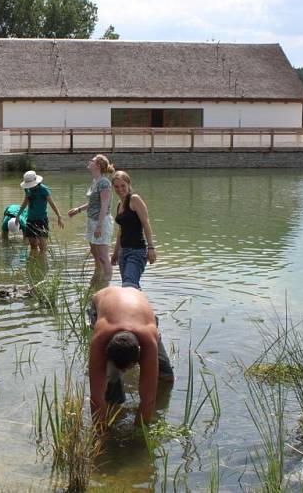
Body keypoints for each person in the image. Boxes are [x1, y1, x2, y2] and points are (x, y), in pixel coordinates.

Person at [88, 287, 174, 426]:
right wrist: (100, 434)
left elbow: (149, 400)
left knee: (166, 376)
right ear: (107, 350)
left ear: (140, 353)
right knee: (113, 381)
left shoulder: (149, 341)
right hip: (103, 301)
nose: (125, 371)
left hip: (139, 309)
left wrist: (139, 434)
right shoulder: (100, 339)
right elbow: (96, 398)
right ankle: (114, 405)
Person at [67, 154, 116, 286]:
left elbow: (105, 205)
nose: (89, 162)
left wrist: (99, 226)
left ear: (98, 165)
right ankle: (97, 281)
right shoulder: (96, 181)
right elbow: (94, 203)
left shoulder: (104, 182)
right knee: (95, 254)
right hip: (92, 221)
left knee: (103, 257)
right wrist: (78, 210)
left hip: (101, 222)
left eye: (92, 161)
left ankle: (106, 285)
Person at [111, 171, 156, 289]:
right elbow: (120, 231)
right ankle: (141, 307)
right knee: (130, 285)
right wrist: (115, 252)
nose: (120, 189)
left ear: (128, 185)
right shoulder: (119, 204)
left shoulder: (134, 199)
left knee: (129, 284)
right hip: (123, 252)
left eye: (123, 185)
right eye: (116, 186)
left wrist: (151, 248)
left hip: (137, 251)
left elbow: (146, 223)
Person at [16, 170, 64, 254]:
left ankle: (43, 264)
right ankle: (33, 264)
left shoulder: (43, 189)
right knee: (33, 246)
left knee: (42, 248)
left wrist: (59, 216)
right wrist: (18, 215)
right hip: (30, 219)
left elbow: (52, 203)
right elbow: (25, 202)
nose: (29, 187)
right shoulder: (27, 190)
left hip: (42, 219)